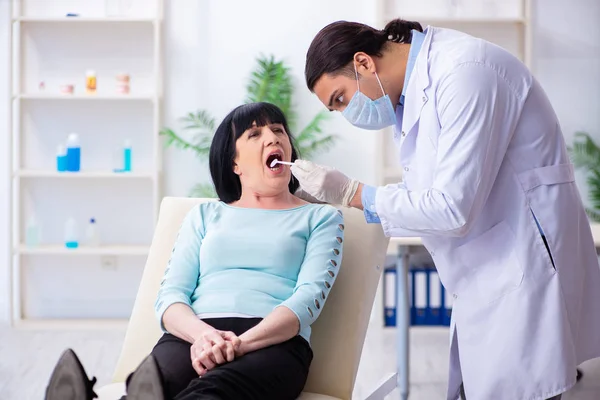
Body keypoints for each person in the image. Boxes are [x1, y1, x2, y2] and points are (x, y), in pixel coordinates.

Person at [290, 18, 600, 400]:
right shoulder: (410, 97)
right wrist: (346, 198)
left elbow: (452, 207)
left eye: (340, 98)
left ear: (364, 63)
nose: (346, 112)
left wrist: (354, 193)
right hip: (487, 270)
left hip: (524, 265)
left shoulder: (466, 73)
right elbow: (429, 192)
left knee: (522, 386)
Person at [44, 102, 345, 400]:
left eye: (278, 130)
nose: (274, 137)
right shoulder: (203, 216)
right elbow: (171, 296)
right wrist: (204, 336)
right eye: (254, 134)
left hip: (273, 342)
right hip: (192, 334)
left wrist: (237, 344)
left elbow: (307, 301)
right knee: (154, 385)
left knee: (214, 391)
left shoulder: (321, 218)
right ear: (234, 163)